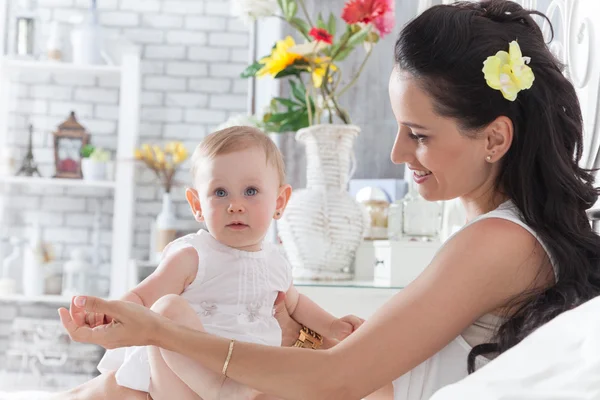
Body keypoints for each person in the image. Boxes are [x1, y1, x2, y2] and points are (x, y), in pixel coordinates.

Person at [57, 1, 600, 399]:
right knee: (106, 389)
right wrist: (309, 335)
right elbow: (360, 359)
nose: (395, 152)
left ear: (495, 139)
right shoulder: (490, 231)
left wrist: (159, 331)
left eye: (419, 134)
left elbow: (341, 377)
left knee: (121, 379)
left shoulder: (501, 241)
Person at [80, 126, 363, 400]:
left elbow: (295, 304)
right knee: (166, 308)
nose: (235, 205)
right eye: (220, 192)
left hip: (251, 382)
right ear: (197, 205)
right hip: (181, 387)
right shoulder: (193, 256)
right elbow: (142, 297)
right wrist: (108, 314)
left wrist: (332, 326)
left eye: (251, 191)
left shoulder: (275, 262)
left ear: (279, 201)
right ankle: (217, 387)